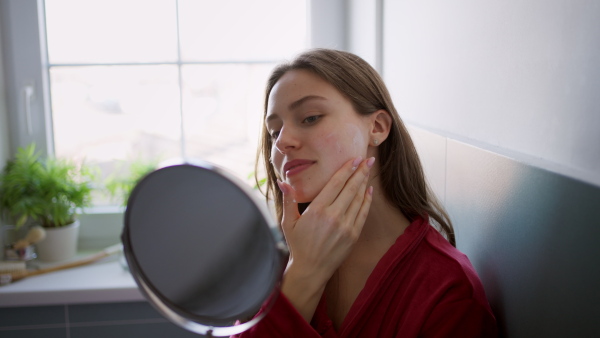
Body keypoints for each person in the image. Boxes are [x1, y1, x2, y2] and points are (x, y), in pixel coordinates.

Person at [233, 49, 497, 337]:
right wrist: (302, 274)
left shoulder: (448, 292)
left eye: (310, 118)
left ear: (378, 127)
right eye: (274, 131)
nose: (282, 142)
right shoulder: (267, 268)